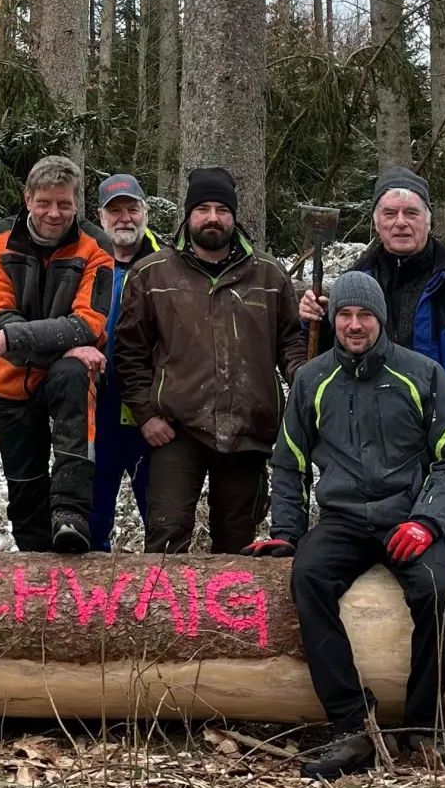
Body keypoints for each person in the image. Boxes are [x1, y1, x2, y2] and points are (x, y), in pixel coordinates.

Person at [254, 272, 445, 779]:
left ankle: (423, 726)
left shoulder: (423, 375)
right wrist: (286, 533)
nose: (354, 325)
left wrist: (427, 521)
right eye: (345, 316)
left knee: (438, 590)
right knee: (307, 579)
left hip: (407, 518)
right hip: (344, 519)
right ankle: (353, 725)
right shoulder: (311, 378)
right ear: (333, 321)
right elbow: (289, 463)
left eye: (364, 315)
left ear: (382, 320)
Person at [299, 167, 445, 553]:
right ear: (375, 222)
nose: (400, 223)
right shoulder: (357, 280)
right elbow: (335, 365)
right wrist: (313, 324)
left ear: (428, 220)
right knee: (373, 574)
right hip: (371, 458)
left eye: (411, 213)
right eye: (389, 214)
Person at [113, 167, 307, 554]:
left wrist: (304, 381)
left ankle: (228, 616)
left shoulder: (269, 275)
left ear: (235, 216)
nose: (213, 217)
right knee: (166, 539)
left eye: (222, 208)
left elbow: (291, 343)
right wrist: (146, 414)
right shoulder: (152, 274)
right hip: (177, 430)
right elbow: (129, 351)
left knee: (237, 546)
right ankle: (163, 614)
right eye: (203, 208)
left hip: (249, 431)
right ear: (188, 215)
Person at [0, 155, 114, 554]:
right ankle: (33, 569)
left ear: (76, 204)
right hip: (13, 380)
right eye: (45, 203)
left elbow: (87, 324)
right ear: (28, 198)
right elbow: (0, 316)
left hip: (65, 374)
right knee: (25, 489)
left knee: (73, 372)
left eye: (65, 204)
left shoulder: (95, 245)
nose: (55, 213)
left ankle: (71, 514)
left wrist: (14, 339)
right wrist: (58, 339)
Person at [89, 173, 159, 551]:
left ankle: (162, 599)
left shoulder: (167, 266)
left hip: (151, 413)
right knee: (93, 515)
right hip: (96, 408)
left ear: (145, 211)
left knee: (160, 516)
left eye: (132, 209)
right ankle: (88, 605)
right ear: (101, 217)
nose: (125, 219)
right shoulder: (87, 264)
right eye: (115, 211)